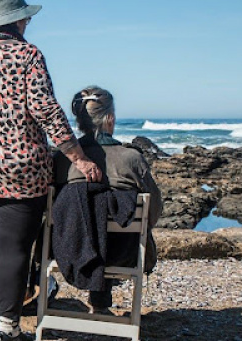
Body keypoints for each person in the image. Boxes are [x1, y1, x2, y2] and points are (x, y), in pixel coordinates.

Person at [0, 1, 102, 340]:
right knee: (14, 248)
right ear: (19, 20)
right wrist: (78, 156)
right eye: (26, 17)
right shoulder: (29, 55)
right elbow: (45, 108)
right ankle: (8, 329)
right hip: (22, 167)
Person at [53, 86, 163, 313]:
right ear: (110, 119)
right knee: (111, 225)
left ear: (80, 121)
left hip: (68, 250)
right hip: (123, 253)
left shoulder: (63, 160)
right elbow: (154, 211)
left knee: (85, 217)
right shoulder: (131, 158)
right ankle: (101, 303)